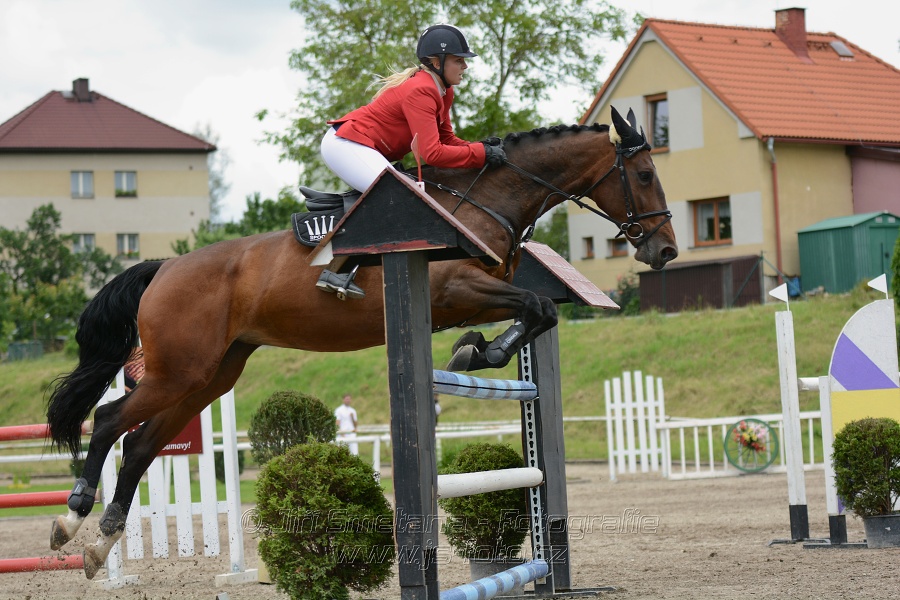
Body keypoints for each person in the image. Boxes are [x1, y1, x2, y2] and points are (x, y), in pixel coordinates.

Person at [316, 23, 508, 300]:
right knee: (398, 195)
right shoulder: (422, 90)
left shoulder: (443, 90)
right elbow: (432, 154)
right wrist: (480, 155)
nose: (464, 66)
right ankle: (335, 271)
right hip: (345, 144)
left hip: (364, 146)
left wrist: (479, 148)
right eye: (458, 60)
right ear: (436, 62)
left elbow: (447, 140)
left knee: (402, 192)